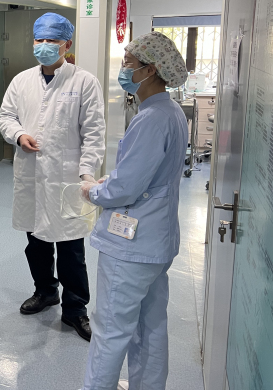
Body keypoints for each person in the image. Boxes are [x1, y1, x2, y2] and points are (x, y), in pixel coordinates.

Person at [81, 32, 189, 390]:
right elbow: (147, 174)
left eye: (129, 63)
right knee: (151, 326)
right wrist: (115, 179)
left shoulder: (151, 118)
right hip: (157, 243)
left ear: (151, 69)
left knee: (111, 330)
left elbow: (125, 188)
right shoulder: (171, 112)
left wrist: (94, 190)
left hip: (131, 246)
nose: (124, 70)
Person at [0, 12, 105, 341]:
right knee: (36, 242)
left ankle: (75, 308)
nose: (44, 46)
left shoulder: (84, 82)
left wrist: (87, 174)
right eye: (39, 39)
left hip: (67, 178)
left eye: (51, 40)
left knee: (71, 248)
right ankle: (45, 292)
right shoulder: (21, 81)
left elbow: (94, 133)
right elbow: (6, 117)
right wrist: (18, 135)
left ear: (66, 45)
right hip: (31, 175)